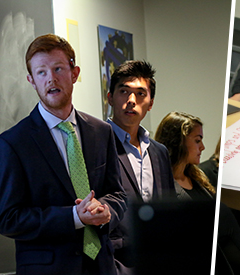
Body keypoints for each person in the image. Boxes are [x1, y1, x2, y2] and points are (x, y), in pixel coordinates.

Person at [0, 34, 125, 275]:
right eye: (41, 72)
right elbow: (9, 219)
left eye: (58, 68)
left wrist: (105, 210)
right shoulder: (11, 143)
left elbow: (117, 193)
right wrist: (74, 217)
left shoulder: (102, 131)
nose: (51, 78)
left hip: (103, 266)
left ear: (74, 74)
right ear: (31, 80)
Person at [105, 60, 176, 273]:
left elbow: (168, 209)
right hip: (115, 262)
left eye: (140, 94)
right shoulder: (96, 145)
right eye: (124, 91)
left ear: (151, 102)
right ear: (110, 97)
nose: (131, 100)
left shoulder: (159, 151)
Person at [154, 111, 216, 200]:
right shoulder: (158, 185)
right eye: (197, 141)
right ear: (178, 142)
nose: (202, 147)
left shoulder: (198, 178)